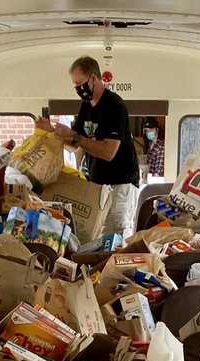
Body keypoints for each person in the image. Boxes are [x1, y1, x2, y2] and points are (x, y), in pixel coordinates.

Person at [35, 56, 139, 238]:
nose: (78, 89)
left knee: (114, 240)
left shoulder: (114, 106)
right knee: (97, 238)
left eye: (80, 83)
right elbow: (71, 146)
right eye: (75, 85)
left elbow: (108, 152)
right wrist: (51, 131)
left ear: (93, 78)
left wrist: (75, 136)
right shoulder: (86, 106)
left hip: (120, 186)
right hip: (98, 186)